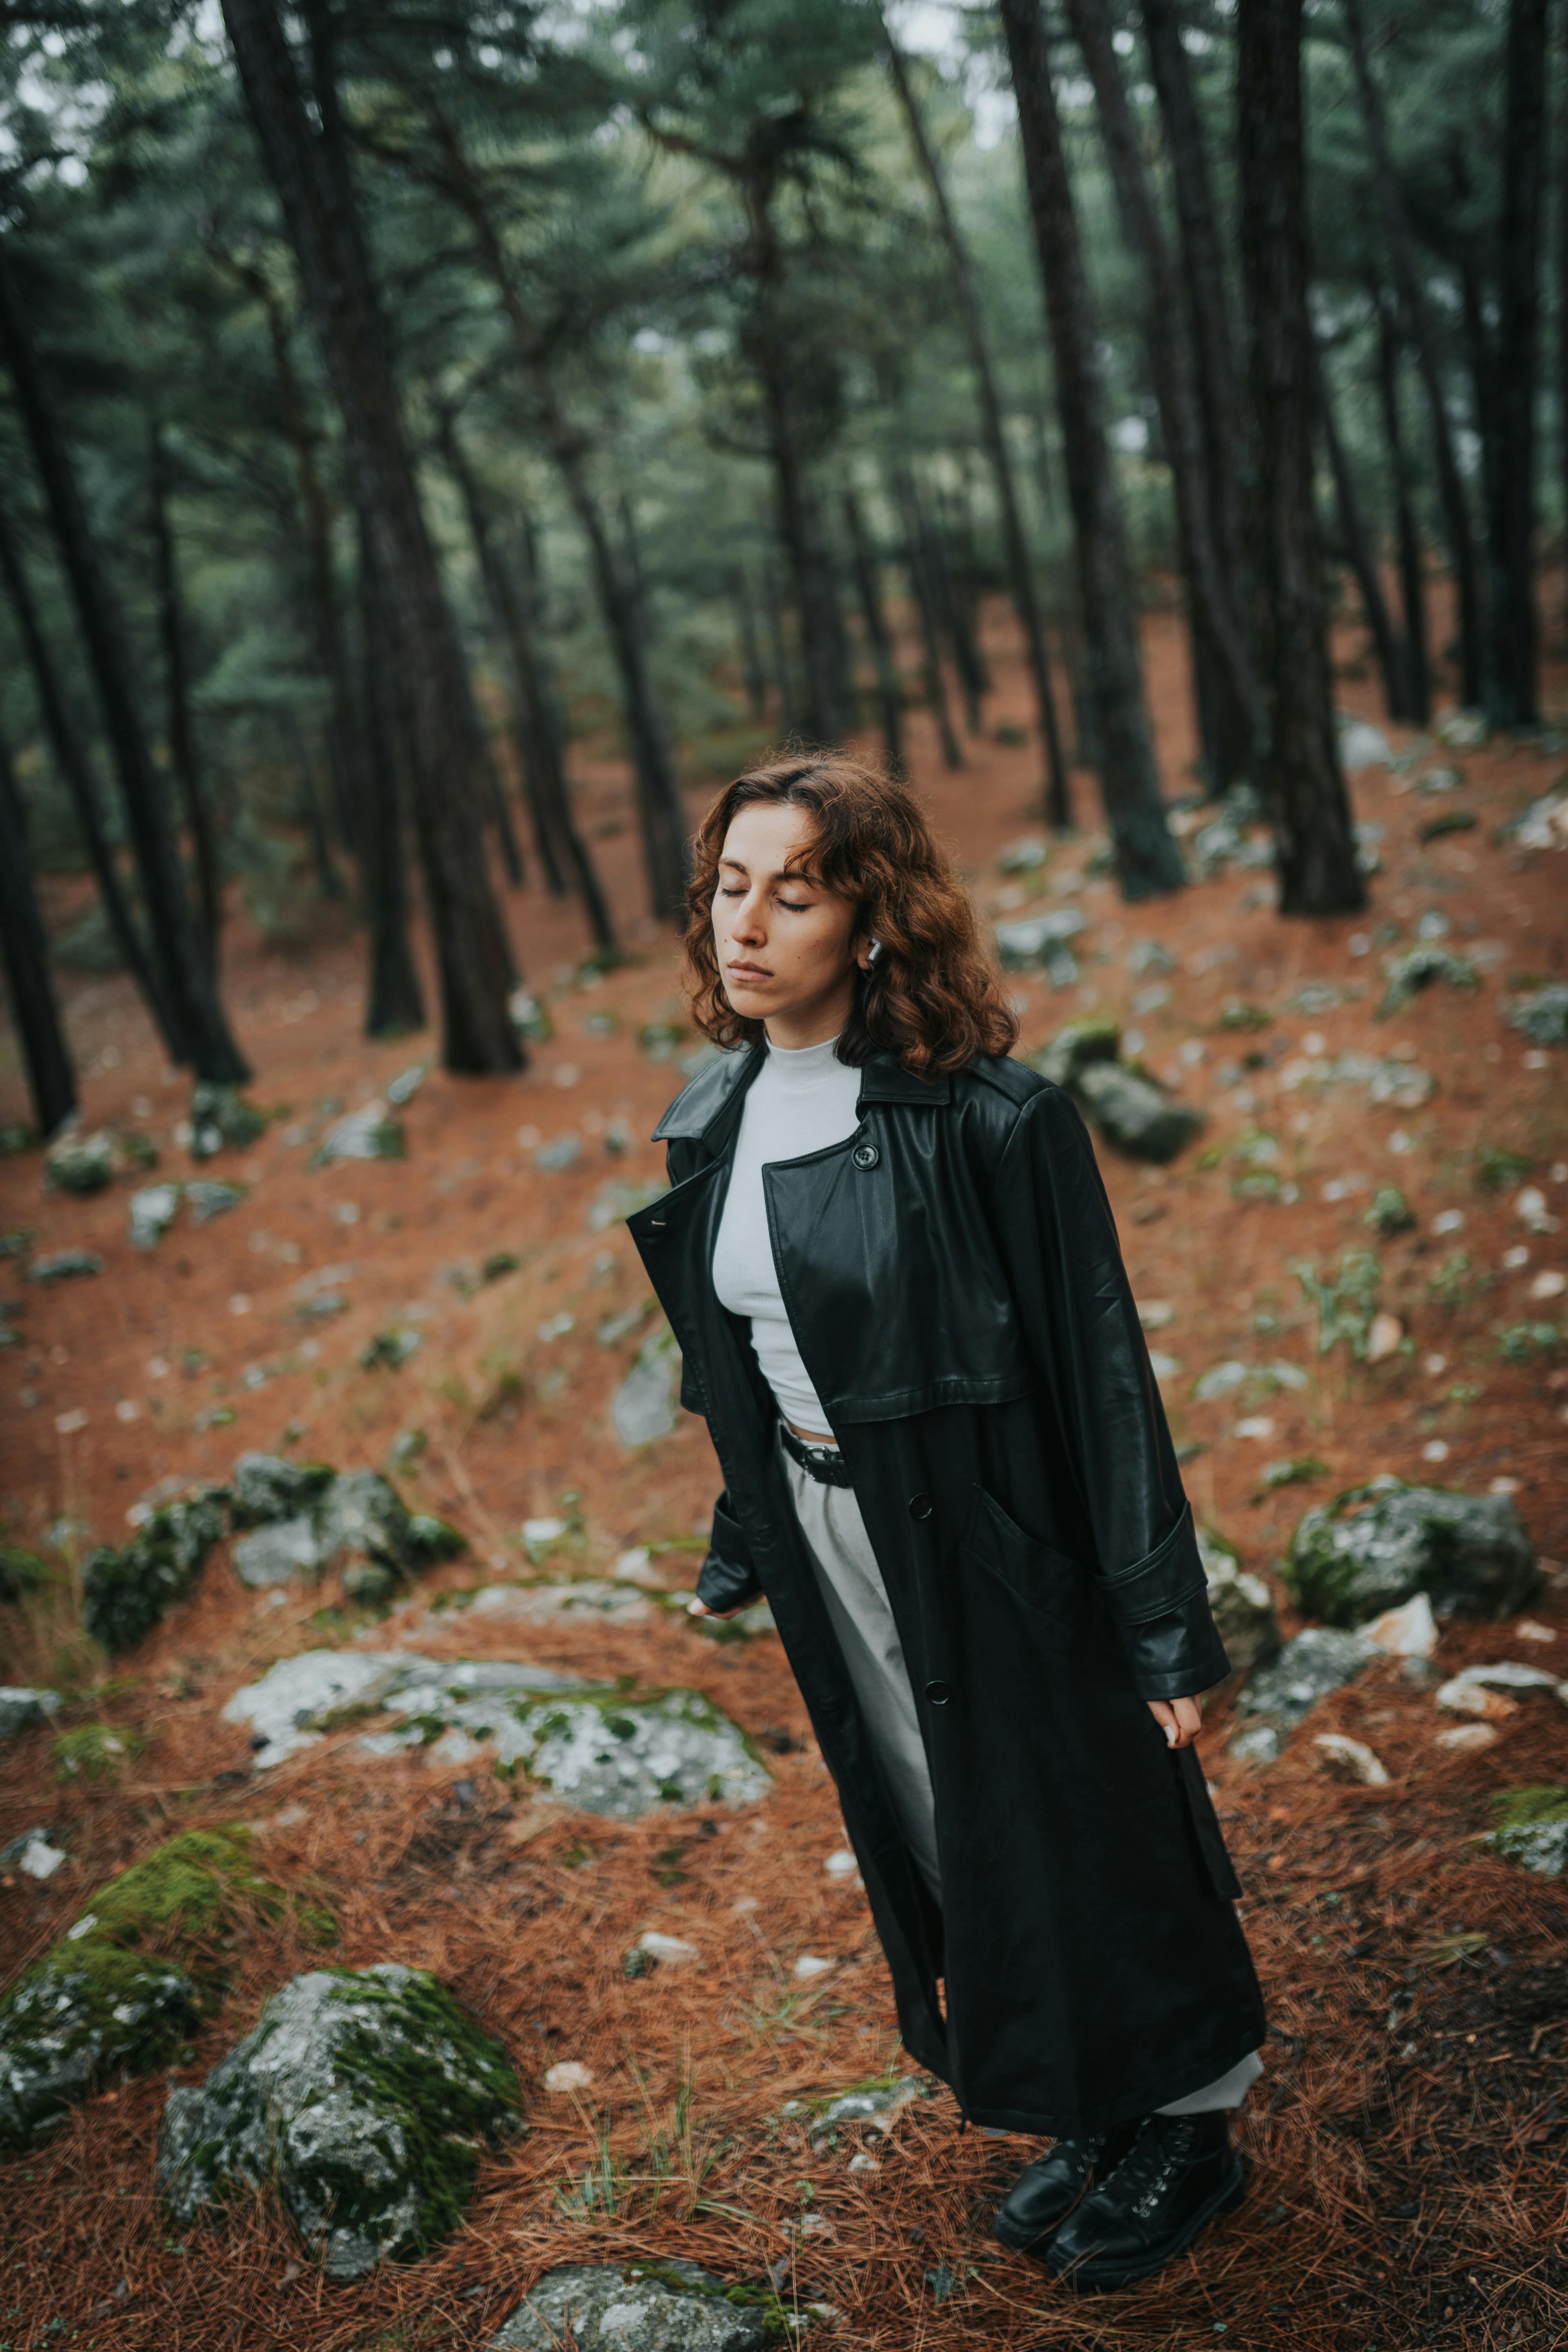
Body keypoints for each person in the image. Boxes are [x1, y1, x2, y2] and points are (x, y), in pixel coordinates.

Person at [625, 753, 1266, 2291]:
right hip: (826, 1526)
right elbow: (738, 1350)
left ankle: (1189, 2124)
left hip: (992, 1531)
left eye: (795, 888)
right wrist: (747, 1525)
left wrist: (1161, 1622)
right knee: (946, 1823)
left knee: (1084, 1820)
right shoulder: (710, 1113)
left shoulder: (990, 1120)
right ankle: (1093, 2100)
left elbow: (1104, 1371)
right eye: (731, 884)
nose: (749, 921)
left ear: (872, 915)